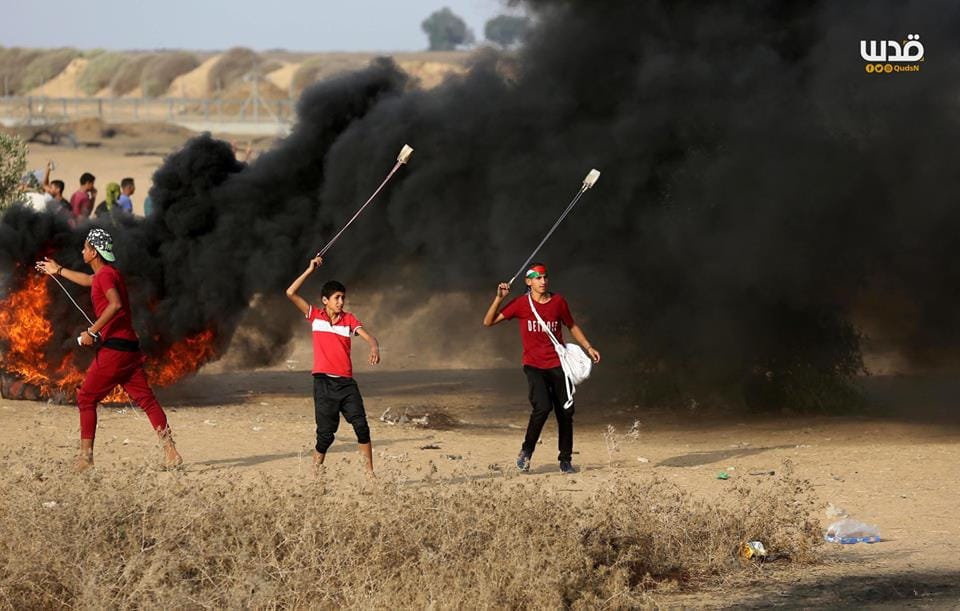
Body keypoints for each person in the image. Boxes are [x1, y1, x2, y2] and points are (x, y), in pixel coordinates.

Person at [35, 228, 182, 472]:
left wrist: (92, 331)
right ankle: (171, 451)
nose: (82, 251)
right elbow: (88, 281)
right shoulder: (107, 273)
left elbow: (115, 305)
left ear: (93, 251)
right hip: (129, 349)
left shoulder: (105, 276)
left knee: (85, 397)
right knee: (147, 400)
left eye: (85, 247)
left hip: (115, 350)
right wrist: (58, 270)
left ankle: (86, 459)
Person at [482, 263, 601, 474]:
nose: (543, 281)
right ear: (528, 282)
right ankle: (526, 453)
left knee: (566, 411)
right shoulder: (521, 304)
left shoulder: (558, 302)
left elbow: (571, 325)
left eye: (545, 277)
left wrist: (589, 347)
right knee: (543, 407)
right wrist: (499, 297)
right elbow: (488, 322)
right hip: (534, 365)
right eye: (538, 278)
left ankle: (565, 460)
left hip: (558, 364)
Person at [285, 256, 380, 476]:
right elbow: (290, 293)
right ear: (325, 300)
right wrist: (310, 269)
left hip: (346, 384)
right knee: (326, 435)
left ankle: (370, 475)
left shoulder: (349, 319)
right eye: (337, 298)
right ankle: (315, 474)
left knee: (362, 427)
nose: (341, 302)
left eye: (343, 298)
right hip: (323, 384)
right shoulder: (315, 316)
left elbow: (370, 338)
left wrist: (374, 348)